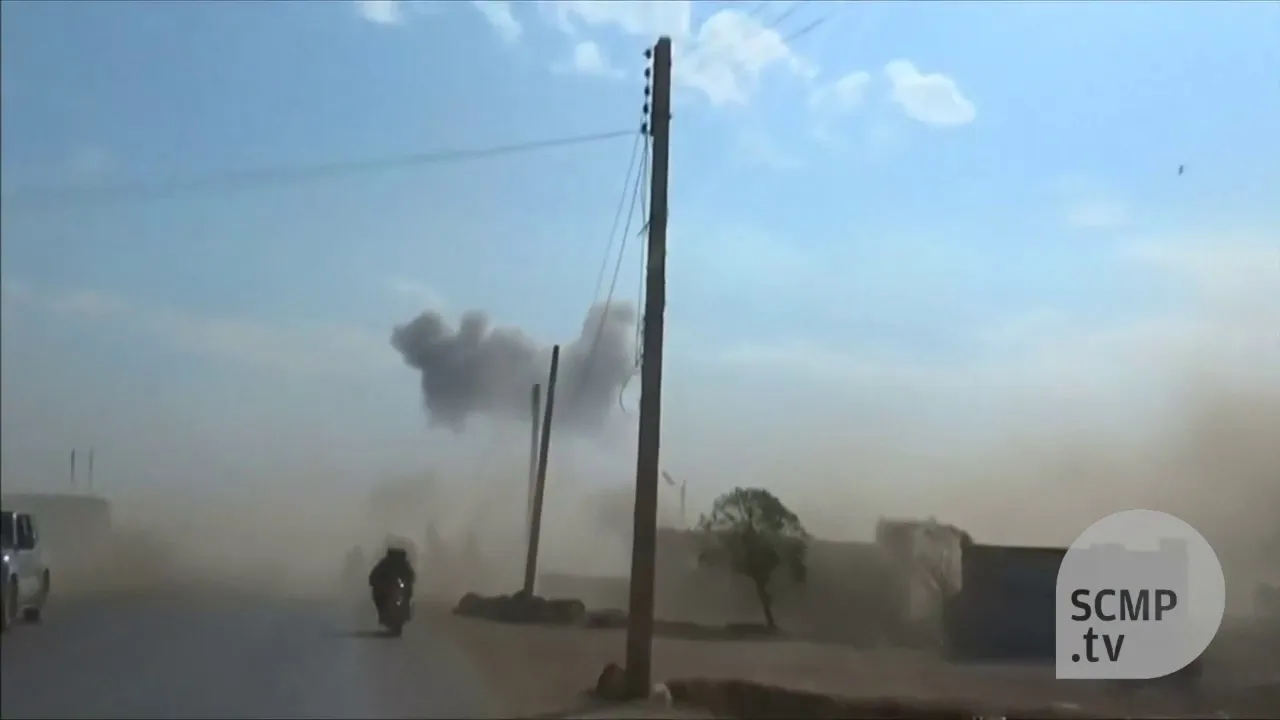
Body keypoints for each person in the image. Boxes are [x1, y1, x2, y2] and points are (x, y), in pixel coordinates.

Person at [368, 546, 416, 611]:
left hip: (399, 593)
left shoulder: (403, 564)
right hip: (385, 594)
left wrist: (406, 584)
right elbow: (373, 578)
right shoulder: (384, 564)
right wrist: (382, 586)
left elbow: (411, 577)